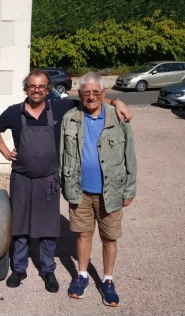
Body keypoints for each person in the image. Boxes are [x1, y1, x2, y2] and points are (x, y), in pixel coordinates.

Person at [0, 69, 132, 292]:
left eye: (42, 87)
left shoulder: (60, 107)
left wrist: (117, 101)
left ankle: (48, 270)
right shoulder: (14, 112)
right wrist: (6, 153)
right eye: (33, 86)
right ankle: (19, 268)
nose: (37, 90)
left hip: (49, 180)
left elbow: (91, 99)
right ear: (26, 88)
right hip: (21, 179)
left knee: (48, 228)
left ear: (48, 90)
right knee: (20, 227)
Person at [59, 72, 137, 306]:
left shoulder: (118, 117)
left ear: (103, 93)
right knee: (83, 234)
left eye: (96, 92)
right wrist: (65, 185)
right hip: (79, 190)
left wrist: (129, 189)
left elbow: (130, 156)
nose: (91, 97)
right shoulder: (70, 118)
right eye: (86, 93)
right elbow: (62, 154)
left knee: (109, 237)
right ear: (80, 94)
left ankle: (108, 280)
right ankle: (82, 276)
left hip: (111, 191)